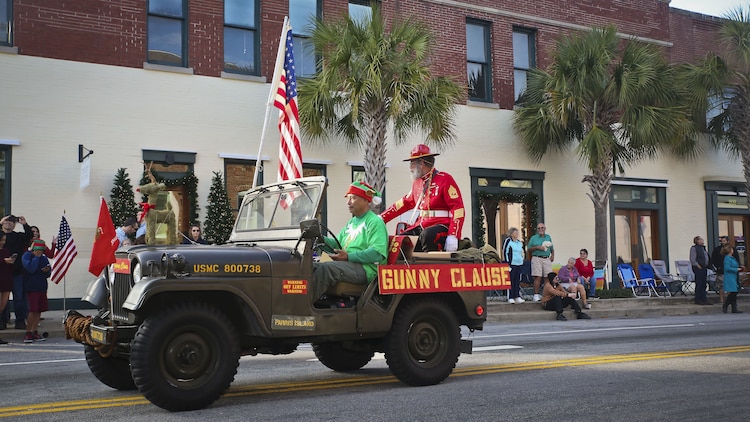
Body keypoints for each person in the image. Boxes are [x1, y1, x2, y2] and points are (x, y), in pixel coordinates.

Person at [312, 181, 389, 301]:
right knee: (311, 266)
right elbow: (337, 245)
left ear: (365, 200)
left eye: (353, 198)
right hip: (349, 265)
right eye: (348, 199)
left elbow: (377, 253)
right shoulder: (352, 222)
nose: (348, 203)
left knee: (325, 269)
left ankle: (303, 306)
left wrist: (348, 257)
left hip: (366, 269)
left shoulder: (375, 222)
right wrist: (318, 237)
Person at [380, 144, 465, 252]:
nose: (410, 168)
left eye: (412, 163)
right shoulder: (417, 182)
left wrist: (453, 235)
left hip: (441, 225)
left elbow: (458, 209)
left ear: (421, 163)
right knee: (400, 240)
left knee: (427, 235)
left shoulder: (445, 179)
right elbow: (404, 203)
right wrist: (381, 218)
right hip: (422, 224)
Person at [1, 215, 33, 330]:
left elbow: (30, 236)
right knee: (2, 299)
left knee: (19, 298)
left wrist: (24, 224)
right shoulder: (0, 235)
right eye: (7, 221)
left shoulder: (18, 236)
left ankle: (20, 321)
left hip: (17, 272)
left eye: (12, 221)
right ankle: (2, 321)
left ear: (15, 224)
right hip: (2, 272)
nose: (9, 223)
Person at [21, 239, 51, 343]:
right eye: (39, 250)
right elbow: (31, 268)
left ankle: (34, 331)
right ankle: (28, 332)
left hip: (42, 286)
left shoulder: (43, 257)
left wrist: (47, 270)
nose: (40, 252)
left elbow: (48, 273)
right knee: (32, 310)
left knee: (39, 310)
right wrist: (36, 258)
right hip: (31, 287)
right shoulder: (27, 256)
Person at [527, 222, 554, 302]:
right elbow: (528, 249)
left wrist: (552, 255)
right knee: (537, 277)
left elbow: (552, 248)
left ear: (545, 228)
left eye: (542, 228)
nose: (540, 229)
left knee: (548, 277)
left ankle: (546, 295)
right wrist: (537, 247)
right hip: (537, 258)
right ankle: (536, 295)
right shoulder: (533, 238)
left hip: (546, 258)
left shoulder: (548, 237)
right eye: (539, 228)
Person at [711, 236, 739, 304]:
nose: (722, 242)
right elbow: (713, 259)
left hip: (731, 273)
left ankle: (729, 300)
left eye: (724, 241)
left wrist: (738, 267)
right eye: (721, 241)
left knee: (730, 286)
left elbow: (737, 258)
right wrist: (718, 267)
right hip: (721, 271)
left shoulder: (732, 249)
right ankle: (721, 299)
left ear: (728, 241)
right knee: (721, 286)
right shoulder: (717, 249)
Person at [501, 227, 525, 304]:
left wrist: (522, 259)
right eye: (515, 233)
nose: (517, 234)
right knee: (511, 280)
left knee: (517, 281)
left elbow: (522, 252)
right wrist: (507, 263)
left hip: (519, 264)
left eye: (517, 233)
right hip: (511, 264)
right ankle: (510, 297)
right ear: (511, 234)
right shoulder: (508, 241)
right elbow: (505, 251)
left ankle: (517, 296)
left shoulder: (519, 242)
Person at [722, 245, 743, 313]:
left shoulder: (732, 258)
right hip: (730, 277)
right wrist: (736, 269)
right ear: (730, 251)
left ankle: (734, 308)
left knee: (734, 292)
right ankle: (726, 304)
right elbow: (727, 268)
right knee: (733, 292)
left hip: (734, 276)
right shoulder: (727, 258)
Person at [690, 235, 711, 305]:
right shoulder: (694, 248)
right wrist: (697, 265)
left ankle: (704, 299)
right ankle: (698, 299)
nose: (703, 241)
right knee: (699, 284)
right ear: (697, 241)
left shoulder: (703, 248)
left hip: (704, 268)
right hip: (698, 268)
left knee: (704, 284)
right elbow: (692, 259)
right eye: (701, 240)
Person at [0, 233, 12, 344]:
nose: (3, 242)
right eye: (1, 240)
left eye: (4, 240)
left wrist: (11, 261)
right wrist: (4, 261)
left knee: (1, 308)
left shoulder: (6, 251)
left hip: (6, 281)